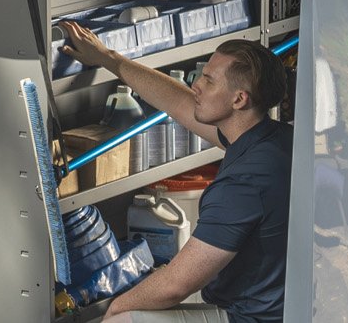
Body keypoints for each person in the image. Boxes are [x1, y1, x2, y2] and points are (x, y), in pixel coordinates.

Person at [60, 21, 292, 323]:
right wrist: (108, 58)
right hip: (283, 307)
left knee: (123, 320)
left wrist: (116, 309)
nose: (196, 84)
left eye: (209, 81)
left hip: (250, 319)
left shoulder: (242, 185)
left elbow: (175, 286)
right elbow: (178, 101)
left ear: (239, 99)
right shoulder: (271, 138)